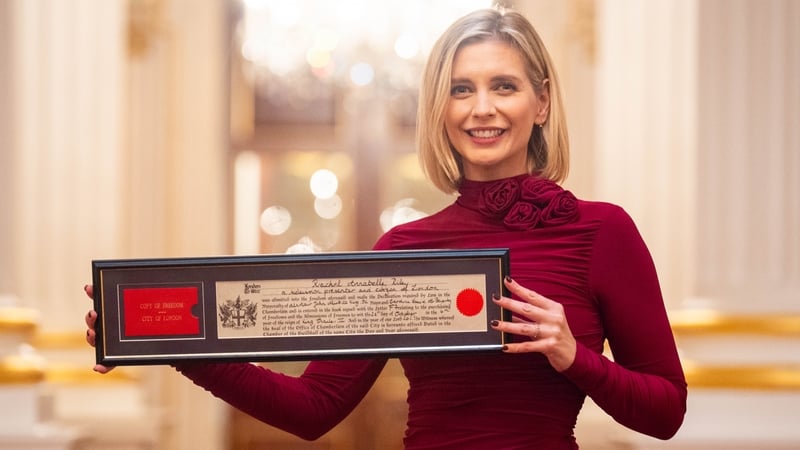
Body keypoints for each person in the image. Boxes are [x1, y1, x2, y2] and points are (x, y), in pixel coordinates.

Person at [85, 7, 686, 449]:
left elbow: (666, 412)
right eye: (460, 90)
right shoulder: (404, 248)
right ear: (439, 109)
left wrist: (571, 354)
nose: (482, 108)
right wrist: (162, 338)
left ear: (543, 102)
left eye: (504, 86)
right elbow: (313, 407)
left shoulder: (602, 231)